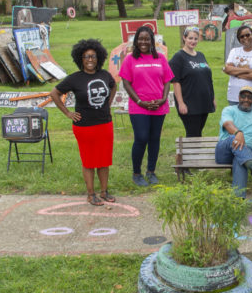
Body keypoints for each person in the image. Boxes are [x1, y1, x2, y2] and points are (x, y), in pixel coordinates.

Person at [50, 39, 116, 206]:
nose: (90, 60)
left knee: (104, 160)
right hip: (84, 127)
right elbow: (54, 93)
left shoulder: (105, 75)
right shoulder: (75, 78)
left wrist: (108, 104)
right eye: (86, 56)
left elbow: (113, 86)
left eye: (93, 56)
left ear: (98, 57)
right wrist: (67, 113)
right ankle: (91, 194)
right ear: (81, 59)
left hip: (105, 124)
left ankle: (104, 191)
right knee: (89, 161)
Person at [119, 26, 175, 187]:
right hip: (139, 106)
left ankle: (151, 171)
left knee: (154, 138)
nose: (143, 42)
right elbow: (126, 83)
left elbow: (167, 80)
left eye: (147, 39)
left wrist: (163, 99)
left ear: (152, 41)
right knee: (141, 137)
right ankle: (136, 173)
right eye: (140, 39)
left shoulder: (160, 58)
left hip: (158, 106)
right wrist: (139, 101)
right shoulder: (130, 59)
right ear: (136, 41)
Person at [169, 26, 216, 137]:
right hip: (189, 103)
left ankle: (196, 149)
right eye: (190, 38)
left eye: (195, 39)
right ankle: (190, 149)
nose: (193, 41)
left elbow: (208, 79)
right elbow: (176, 82)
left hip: (204, 102)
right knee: (193, 134)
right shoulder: (179, 57)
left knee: (198, 133)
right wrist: (181, 103)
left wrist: (212, 98)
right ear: (184, 38)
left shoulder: (200, 55)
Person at [223, 25, 252, 109]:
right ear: (239, 39)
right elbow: (228, 69)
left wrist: (236, 73)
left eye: (247, 35)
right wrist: (249, 70)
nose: (245, 38)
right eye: (242, 36)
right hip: (234, 96)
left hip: (251, 98)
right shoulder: (234, 51)